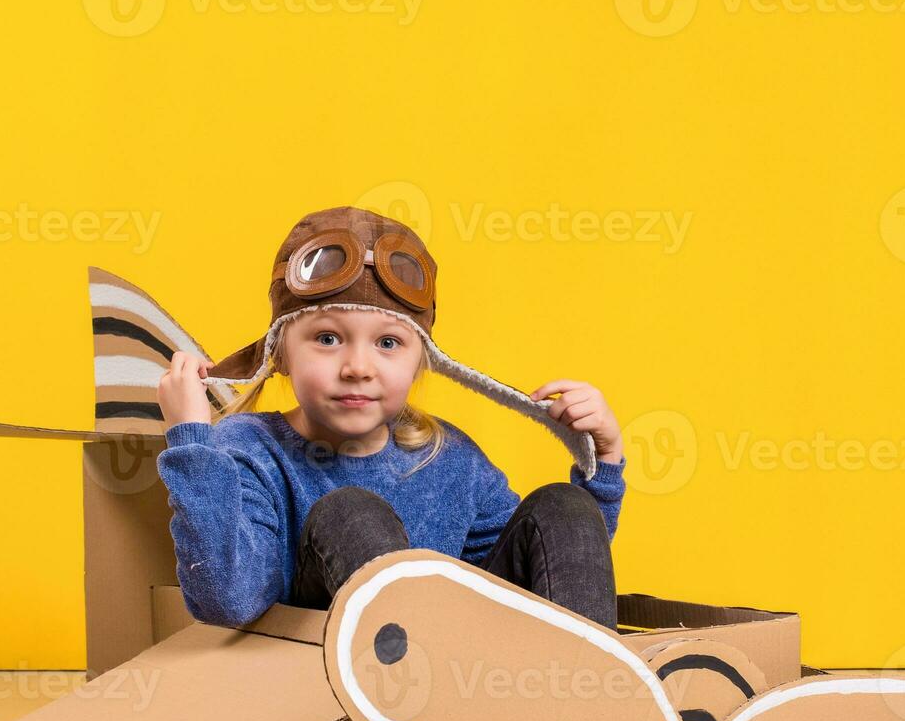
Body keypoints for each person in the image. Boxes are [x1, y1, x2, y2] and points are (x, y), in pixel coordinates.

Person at [154, 205, 628, 631]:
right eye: (326, 338)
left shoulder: (449, 459)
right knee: (351, 510)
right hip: (334, 688)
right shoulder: (249, 448)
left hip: (469, 678)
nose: (358, 368)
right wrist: (192, 443)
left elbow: (554, 574)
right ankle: (418, 696)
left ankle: (588, 708)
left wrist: (603, 462)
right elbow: (226, 601)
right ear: (279, 354)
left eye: (387, 343)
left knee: (564, 506)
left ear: (420, 362)